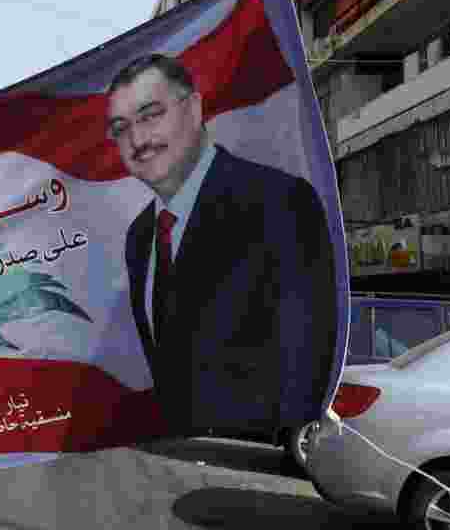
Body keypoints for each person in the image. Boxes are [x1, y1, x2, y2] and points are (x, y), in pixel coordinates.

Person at [106, 53, 337, 442]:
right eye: (121, 127)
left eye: (149, 115)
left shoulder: (279, 203)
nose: (138, 140)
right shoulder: (139, 236)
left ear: (194, 109)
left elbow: (305, 359)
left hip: (255, 471)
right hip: (173, 470)